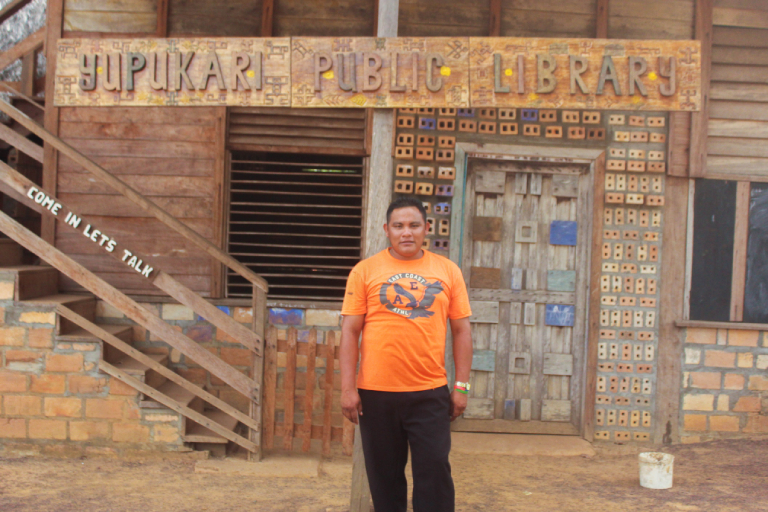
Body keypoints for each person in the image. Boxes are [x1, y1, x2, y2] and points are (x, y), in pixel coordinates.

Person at [340, 196, 473, 512]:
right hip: (376, 395)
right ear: (386, 229)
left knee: (435, 474)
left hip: (429, 394)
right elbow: (349, 331)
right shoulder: (364, 271)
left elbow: (462, 331)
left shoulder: (447, 271)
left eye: (414, 225)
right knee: (384, 480)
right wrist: (348, 389)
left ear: (427, 228)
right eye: (398, 226)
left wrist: (461, 388)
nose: (406, 233)